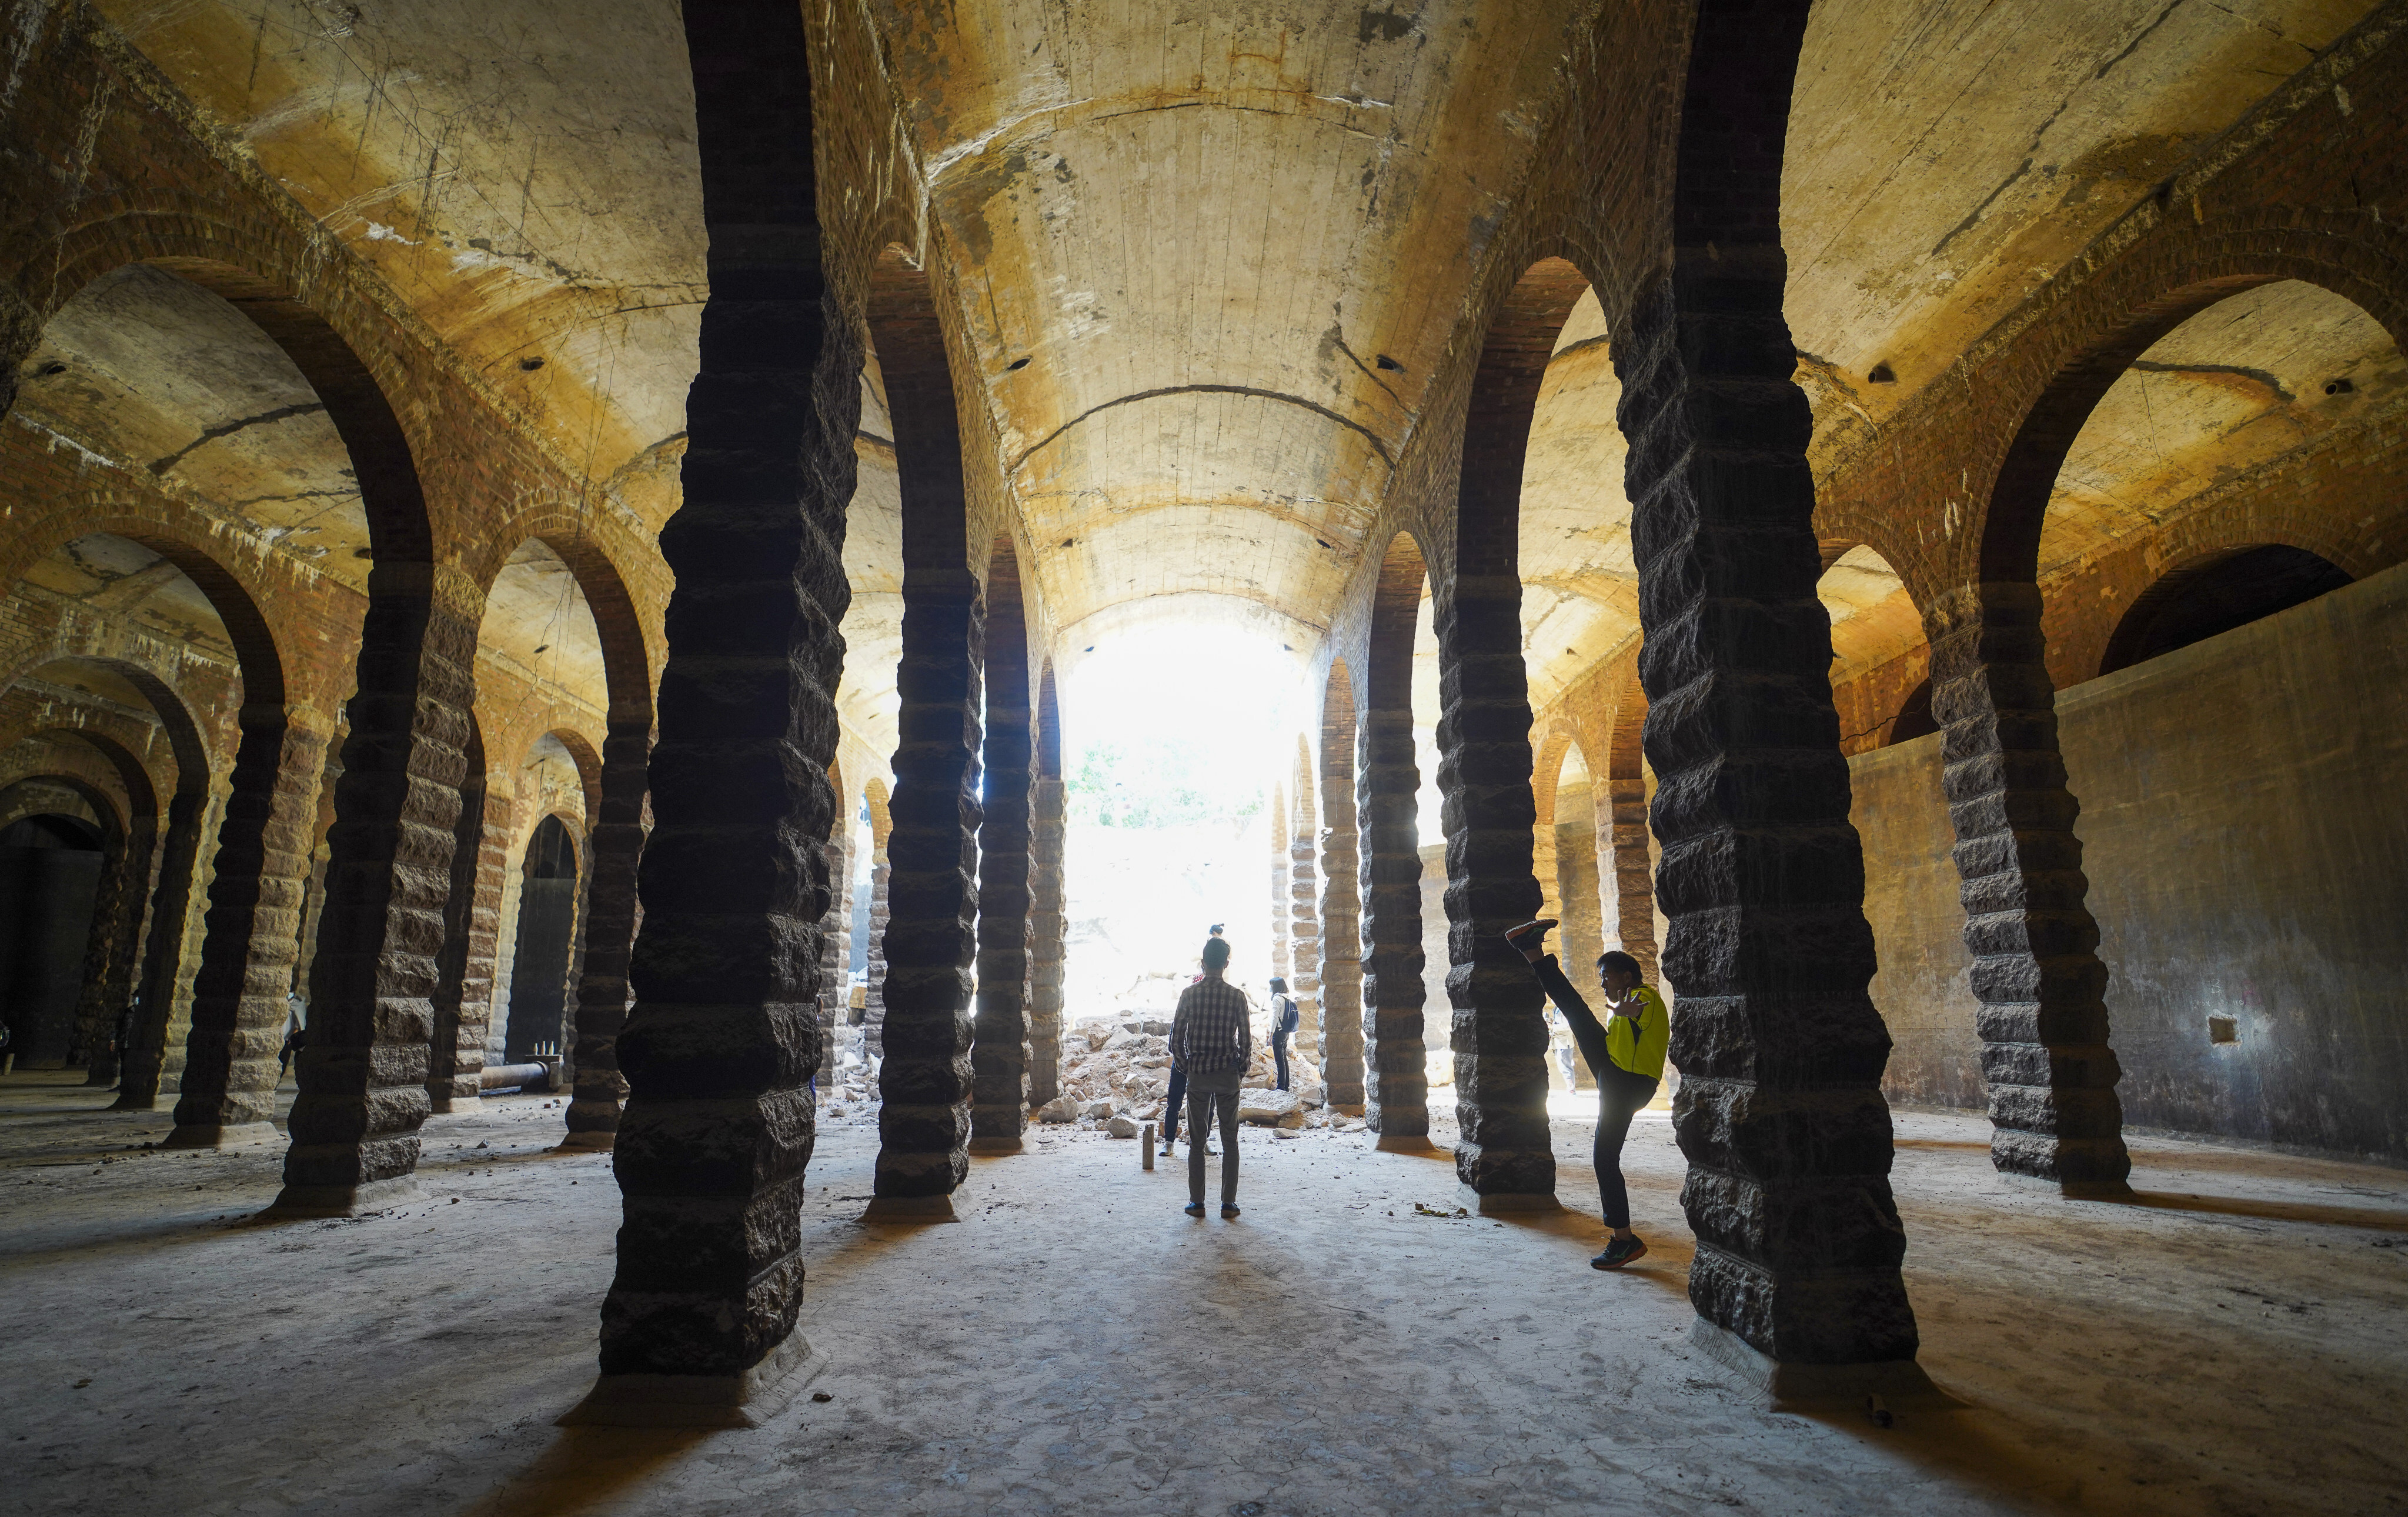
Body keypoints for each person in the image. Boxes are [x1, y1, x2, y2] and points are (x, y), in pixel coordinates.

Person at [1504, 919, 1668, 1270]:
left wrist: (1629, 1010)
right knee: (1574, 1008)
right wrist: (1621, 1014)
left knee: (1604, 1159)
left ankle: (1625, 1241)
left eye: (1607, 975)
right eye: (1602, 976)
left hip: (1628, 1083)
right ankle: (1530, 949)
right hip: (1615, 1070)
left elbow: (1640, 1010)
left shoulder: (1645, 997)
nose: (1603, 982)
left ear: (1627, 976)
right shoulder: (1625, 1005)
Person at [1169, 935, 1251, 1218]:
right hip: (1227, 1076)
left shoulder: (1189, 995)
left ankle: (1198, 1203)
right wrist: (1239, 1069)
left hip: (1199, 1076)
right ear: (1226, 964)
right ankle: (1228, 1205)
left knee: (1197, 1140)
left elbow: (1176, 1038)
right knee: (1230, 1141)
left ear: (1203, 963)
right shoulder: (1237, 996)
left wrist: (1186, 1067)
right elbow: (1247, 1040)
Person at [1265, 975, 1300, 1091]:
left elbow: (1275, 1018)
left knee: (1279, 1062)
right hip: (1285, 1033)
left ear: (1275, 986)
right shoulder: (1285, 998)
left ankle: (1281, 1088)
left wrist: (1270, 1036)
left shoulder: (1276, 999)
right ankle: (1286, 1086)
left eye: (1271, 985)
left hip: (1278, 1033)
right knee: (1284, 1060)